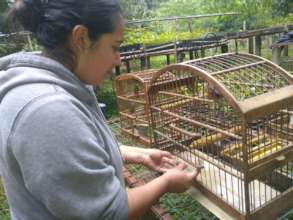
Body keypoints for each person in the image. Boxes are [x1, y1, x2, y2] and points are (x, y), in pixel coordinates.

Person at [0, 0, 201, 219]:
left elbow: (74, 149)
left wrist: (139, 154)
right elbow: (109, 214)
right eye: (114, 47)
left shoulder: (52, 87)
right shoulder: (48, 111)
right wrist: (166, 182)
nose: (118, 59)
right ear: (81, 38)